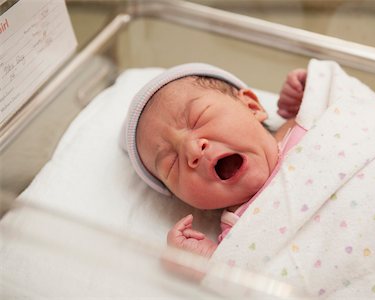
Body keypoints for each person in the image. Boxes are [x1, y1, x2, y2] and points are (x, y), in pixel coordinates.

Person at [122, 63, 307, 258]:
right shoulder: (239, 232)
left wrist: (307, 91)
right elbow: (247, 280)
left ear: (251, 107)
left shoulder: (305, 122)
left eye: (198, 118)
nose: (192, 150)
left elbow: (338, 96)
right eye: (171, 164)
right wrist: (203, 263)